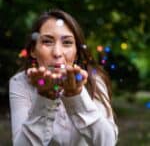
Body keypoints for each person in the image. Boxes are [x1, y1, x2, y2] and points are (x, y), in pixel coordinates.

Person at [9, 9, 118, 146]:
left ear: (77, 53)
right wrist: (45, 98)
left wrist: (76, 95)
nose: (57, 53)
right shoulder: (20, 83)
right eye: (47, 42)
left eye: (67, 43)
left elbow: (107, 142)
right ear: (33, 51)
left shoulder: (93, 79)